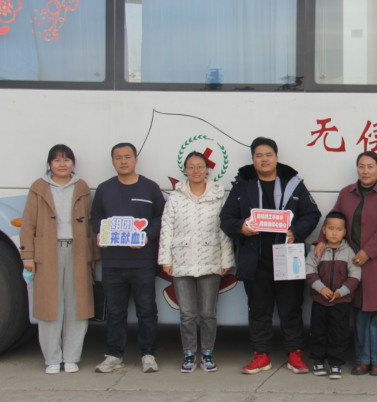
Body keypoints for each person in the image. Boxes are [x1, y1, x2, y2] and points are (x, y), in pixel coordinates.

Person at [220, 137, 321, 375]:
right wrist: (241, 227)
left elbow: (312, 213)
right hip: (255, 260)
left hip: (287, 258)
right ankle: (261, 356)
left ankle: (295, 354)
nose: (264, 159)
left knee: (291, 308)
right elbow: (226, 219)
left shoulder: (294, 184)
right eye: (259, 155)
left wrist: (296, 231)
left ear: (276, 157)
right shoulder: (242, 185)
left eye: (268, 154)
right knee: (258, 310)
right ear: (253, 159)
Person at [314, 151, 377, 377]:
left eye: (371, 166)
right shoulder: (347, 192)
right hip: (352, 261)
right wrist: (322, 240)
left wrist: (368, 252)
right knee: (360, 310)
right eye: (361, 166)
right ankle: (362, 359)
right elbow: (333, 218)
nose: (366, 171)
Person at [20, 145, 98, 374]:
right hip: (47, 253)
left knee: (77, 306)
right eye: (56, 160)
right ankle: (52, 359)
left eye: (66, 160)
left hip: (78, 252)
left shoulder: (81, 187)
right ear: (50, 164)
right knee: (50, 307)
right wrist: (28, 256)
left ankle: (71, 358)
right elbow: (28, 224)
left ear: (73, 163)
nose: (62, 164)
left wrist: (93, 254)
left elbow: (90, 223)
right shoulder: (38, 187)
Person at [91, 143, 165, 373]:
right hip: (112, 262)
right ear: (113, 161)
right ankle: (114, 355)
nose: (123, 161)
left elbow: (161, 218)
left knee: (146, 311)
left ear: (136, 159)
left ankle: (148, 354)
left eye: (127, 156)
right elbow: (95, 217)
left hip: (142, 262)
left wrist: (146, 235)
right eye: (118, 157)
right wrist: (99, 232)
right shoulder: (104, 189)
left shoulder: (150, 188)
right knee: (115, 312)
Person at [159, 151, 235, 373]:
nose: (195, 171)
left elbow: (224, 230)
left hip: (211, 259)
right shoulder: (175, 197)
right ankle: (189, 354)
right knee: (187, 313)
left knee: (208, 313)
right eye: (191, 167)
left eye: (200, 166)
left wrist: (226, 259)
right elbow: (167, 229)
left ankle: (208, 353)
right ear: (185, 170)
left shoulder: (218, 195)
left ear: (207, 169)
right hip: (181, 261)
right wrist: (166, 260)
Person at [305, 211, 361, 380]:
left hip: (341, 302)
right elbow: (309, 271)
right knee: (318, 332)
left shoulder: (349, 253)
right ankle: (318, 361)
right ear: (324, 230)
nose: (334, 233)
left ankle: (336, 363)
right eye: (330, 229)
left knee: (339, 333)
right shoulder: (316, 251)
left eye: (339, 229)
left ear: (344, 232)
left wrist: (340, 292)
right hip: (319, 301)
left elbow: (355, 276)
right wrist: (321, 289)